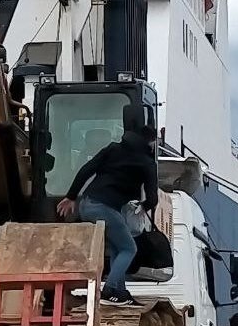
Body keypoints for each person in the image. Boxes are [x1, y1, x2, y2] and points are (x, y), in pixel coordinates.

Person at [56, 124, 161, 306]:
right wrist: (144, 207)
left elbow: (86, 169)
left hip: (87, 204)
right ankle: (109, 290)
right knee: (129, 248)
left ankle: (120, 292)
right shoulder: (147, 163)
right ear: (151, 142)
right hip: (106, 208)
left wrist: (71, 196)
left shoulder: (113, 149)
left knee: (117, 248)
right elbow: (152, 198)